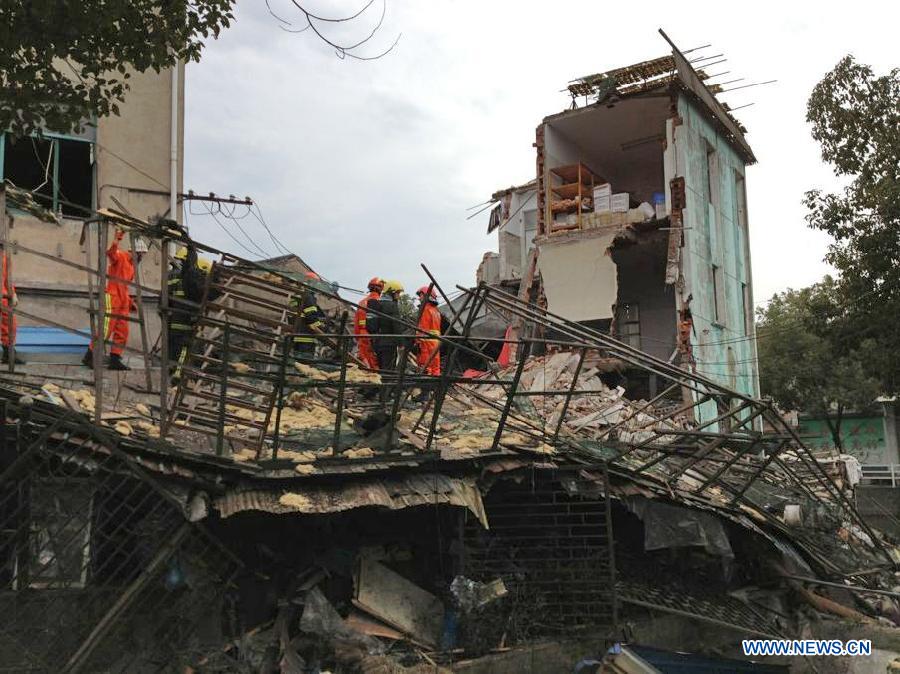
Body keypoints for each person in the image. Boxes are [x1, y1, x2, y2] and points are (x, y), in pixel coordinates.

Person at [82, 229, 146, 370]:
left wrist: (130, 302)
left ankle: (115, 359)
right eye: (142, 254)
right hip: (112, 297)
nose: (142, 257)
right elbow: (110, 253)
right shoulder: (121, 256)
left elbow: (124, 286)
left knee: (123, 331)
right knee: (105, 329)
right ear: (136, 252)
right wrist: (118, 238)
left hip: (122, 299)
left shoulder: (132, 267)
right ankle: (89, 356)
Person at [368, 279, 403, 373]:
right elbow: (397, 326)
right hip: (389, 344)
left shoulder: (377, 304)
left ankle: (381, 386)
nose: (398, 296)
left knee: (380, 368)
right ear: (392, 292)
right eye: (398, 293)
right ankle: (386, 387)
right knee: (388, 370)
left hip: (377, 343)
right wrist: (401, 344)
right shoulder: (392, 306)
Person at [291, 271, 326, 360]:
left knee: (296, 362)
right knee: (305, 364)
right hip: (306, 336)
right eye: (316, 284)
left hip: (295, 334)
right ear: (311, 283)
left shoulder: (297, 294)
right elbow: (311, 316)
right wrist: (320, 327)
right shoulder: (308, 296)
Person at [0, 246, 23, 364]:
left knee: (10, 323)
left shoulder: (5, 258)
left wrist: (13, 293)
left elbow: (8, 279)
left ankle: (8, 354)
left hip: (3, 295)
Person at [355, 277, 383, 370]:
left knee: (364, 358)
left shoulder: (361, 302)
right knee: (374, 360)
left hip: (362, 335)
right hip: (374, 335)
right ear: (381, 288)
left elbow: (356, 323)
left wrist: (357, 336)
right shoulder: (381, 302)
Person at [415, 285, 441, 376]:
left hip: (426, 342)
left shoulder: (425, 309)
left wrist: (417, 340)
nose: (419, 298)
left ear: (426, 295)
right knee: (435, 365)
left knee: (426, 366)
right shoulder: (436, 311)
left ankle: (427, 386)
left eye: (420, 295)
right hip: (435, 341)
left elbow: (423, 328)